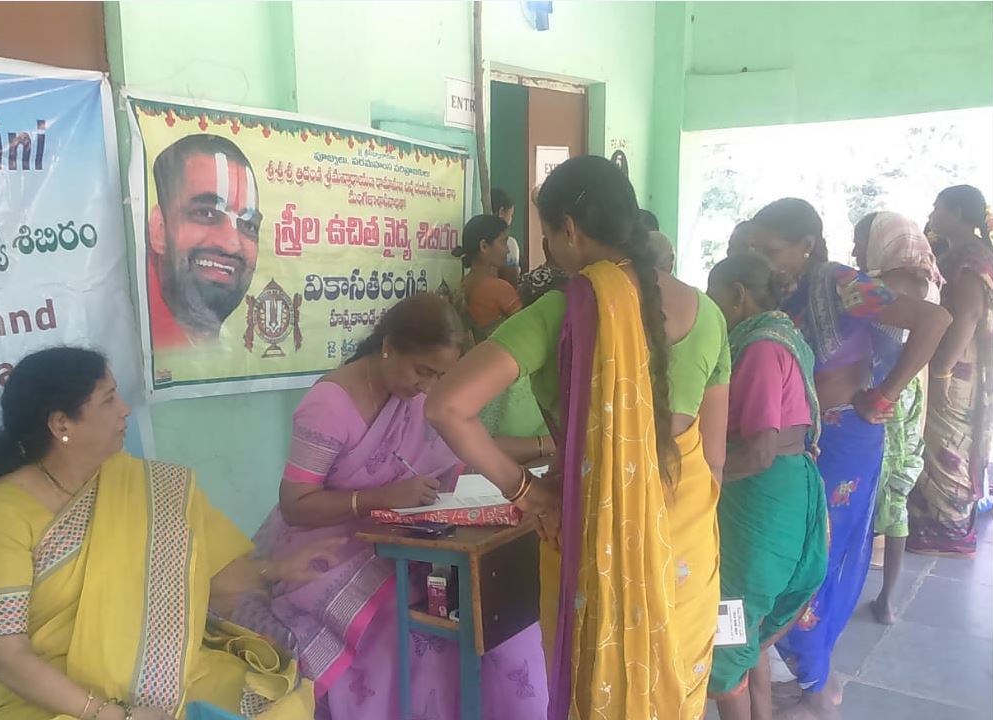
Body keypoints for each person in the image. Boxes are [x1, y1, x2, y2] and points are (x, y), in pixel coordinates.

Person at [426, 155, 730, 720]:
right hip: (685, 542)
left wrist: (524, 492)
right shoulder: (710, 313)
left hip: (594, 532)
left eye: (546, 236)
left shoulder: (560, 314)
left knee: (601, 686)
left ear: (569, 228)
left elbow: (446, 406)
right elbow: (714, 460)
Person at [0, 347, 331, 720]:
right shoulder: (0, 515)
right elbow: (3, 655)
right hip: (53, 697)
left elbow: (212, 575)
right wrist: (106, 714)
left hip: (165, 674)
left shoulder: (149, 487)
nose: (124, 409)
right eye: (107, 400)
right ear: (61, 425)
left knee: (278, 703)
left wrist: (275, 571)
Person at [239, 294, 549, 720]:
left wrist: (547, 447)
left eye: (439, 375)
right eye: (423, 371)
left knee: (470, 606)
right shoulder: (329, 405)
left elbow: (472, 447)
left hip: (401, 538)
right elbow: (295, 505)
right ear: (389, 345)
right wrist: (381, 498)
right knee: (399, 620)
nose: (428, 385)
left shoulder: (418, 400)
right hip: (326, 550)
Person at [748, 199, 951, 720]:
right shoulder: (778, 290)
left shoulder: (842, 284)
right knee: (790, 555)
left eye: (770, 249)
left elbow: (934, 319)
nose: (761, 259)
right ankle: (814, 675)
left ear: (807, 246)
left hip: (844, 441)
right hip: (799, 444)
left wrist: (885, 394)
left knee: (820, 558)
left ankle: (818, 689)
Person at [705, 254, 828, 720]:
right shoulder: (784, 333)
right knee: (748, 627)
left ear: (738, 294)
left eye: (715, 296)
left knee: (728, 631)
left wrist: (698, 481)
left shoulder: (757, 348)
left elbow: (758, 450)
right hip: (785, 488)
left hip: (761, 498)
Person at [850, 212, 941, 624]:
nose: (854, 251)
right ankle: (887, 600)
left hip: (880, 389)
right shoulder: (928, 282)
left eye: (859, 241)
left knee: (865, 488)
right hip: (909, 392)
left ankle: (846, 586)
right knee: (897, 493)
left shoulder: (879, 289)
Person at [907, 185, 993, 557]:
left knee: (949, 442)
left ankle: (947, 530)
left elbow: (970, 315)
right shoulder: (961, 252)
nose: (933, 211)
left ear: (958, 212)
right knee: (942, 440)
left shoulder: (970, 257)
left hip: (957, 365)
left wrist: (942, 369)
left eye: (939, 206)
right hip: (956, 361)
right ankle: (937, 523)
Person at [147, 134, 262, 349]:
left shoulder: (230, 350)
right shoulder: (134, 341)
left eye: (248, 225)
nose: (232, 245)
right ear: (159, 230)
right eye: (206, 213)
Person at [453, 214, 522, 341]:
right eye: (503, 242)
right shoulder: (500, 288)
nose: (507, 250)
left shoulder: (461, 285)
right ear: (484, 246)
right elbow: (524, 332)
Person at [492, 187, 523, 285]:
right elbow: (512, 280)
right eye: (511, 214)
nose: (511, 219)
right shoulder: (510, 244)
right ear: (502, 212)